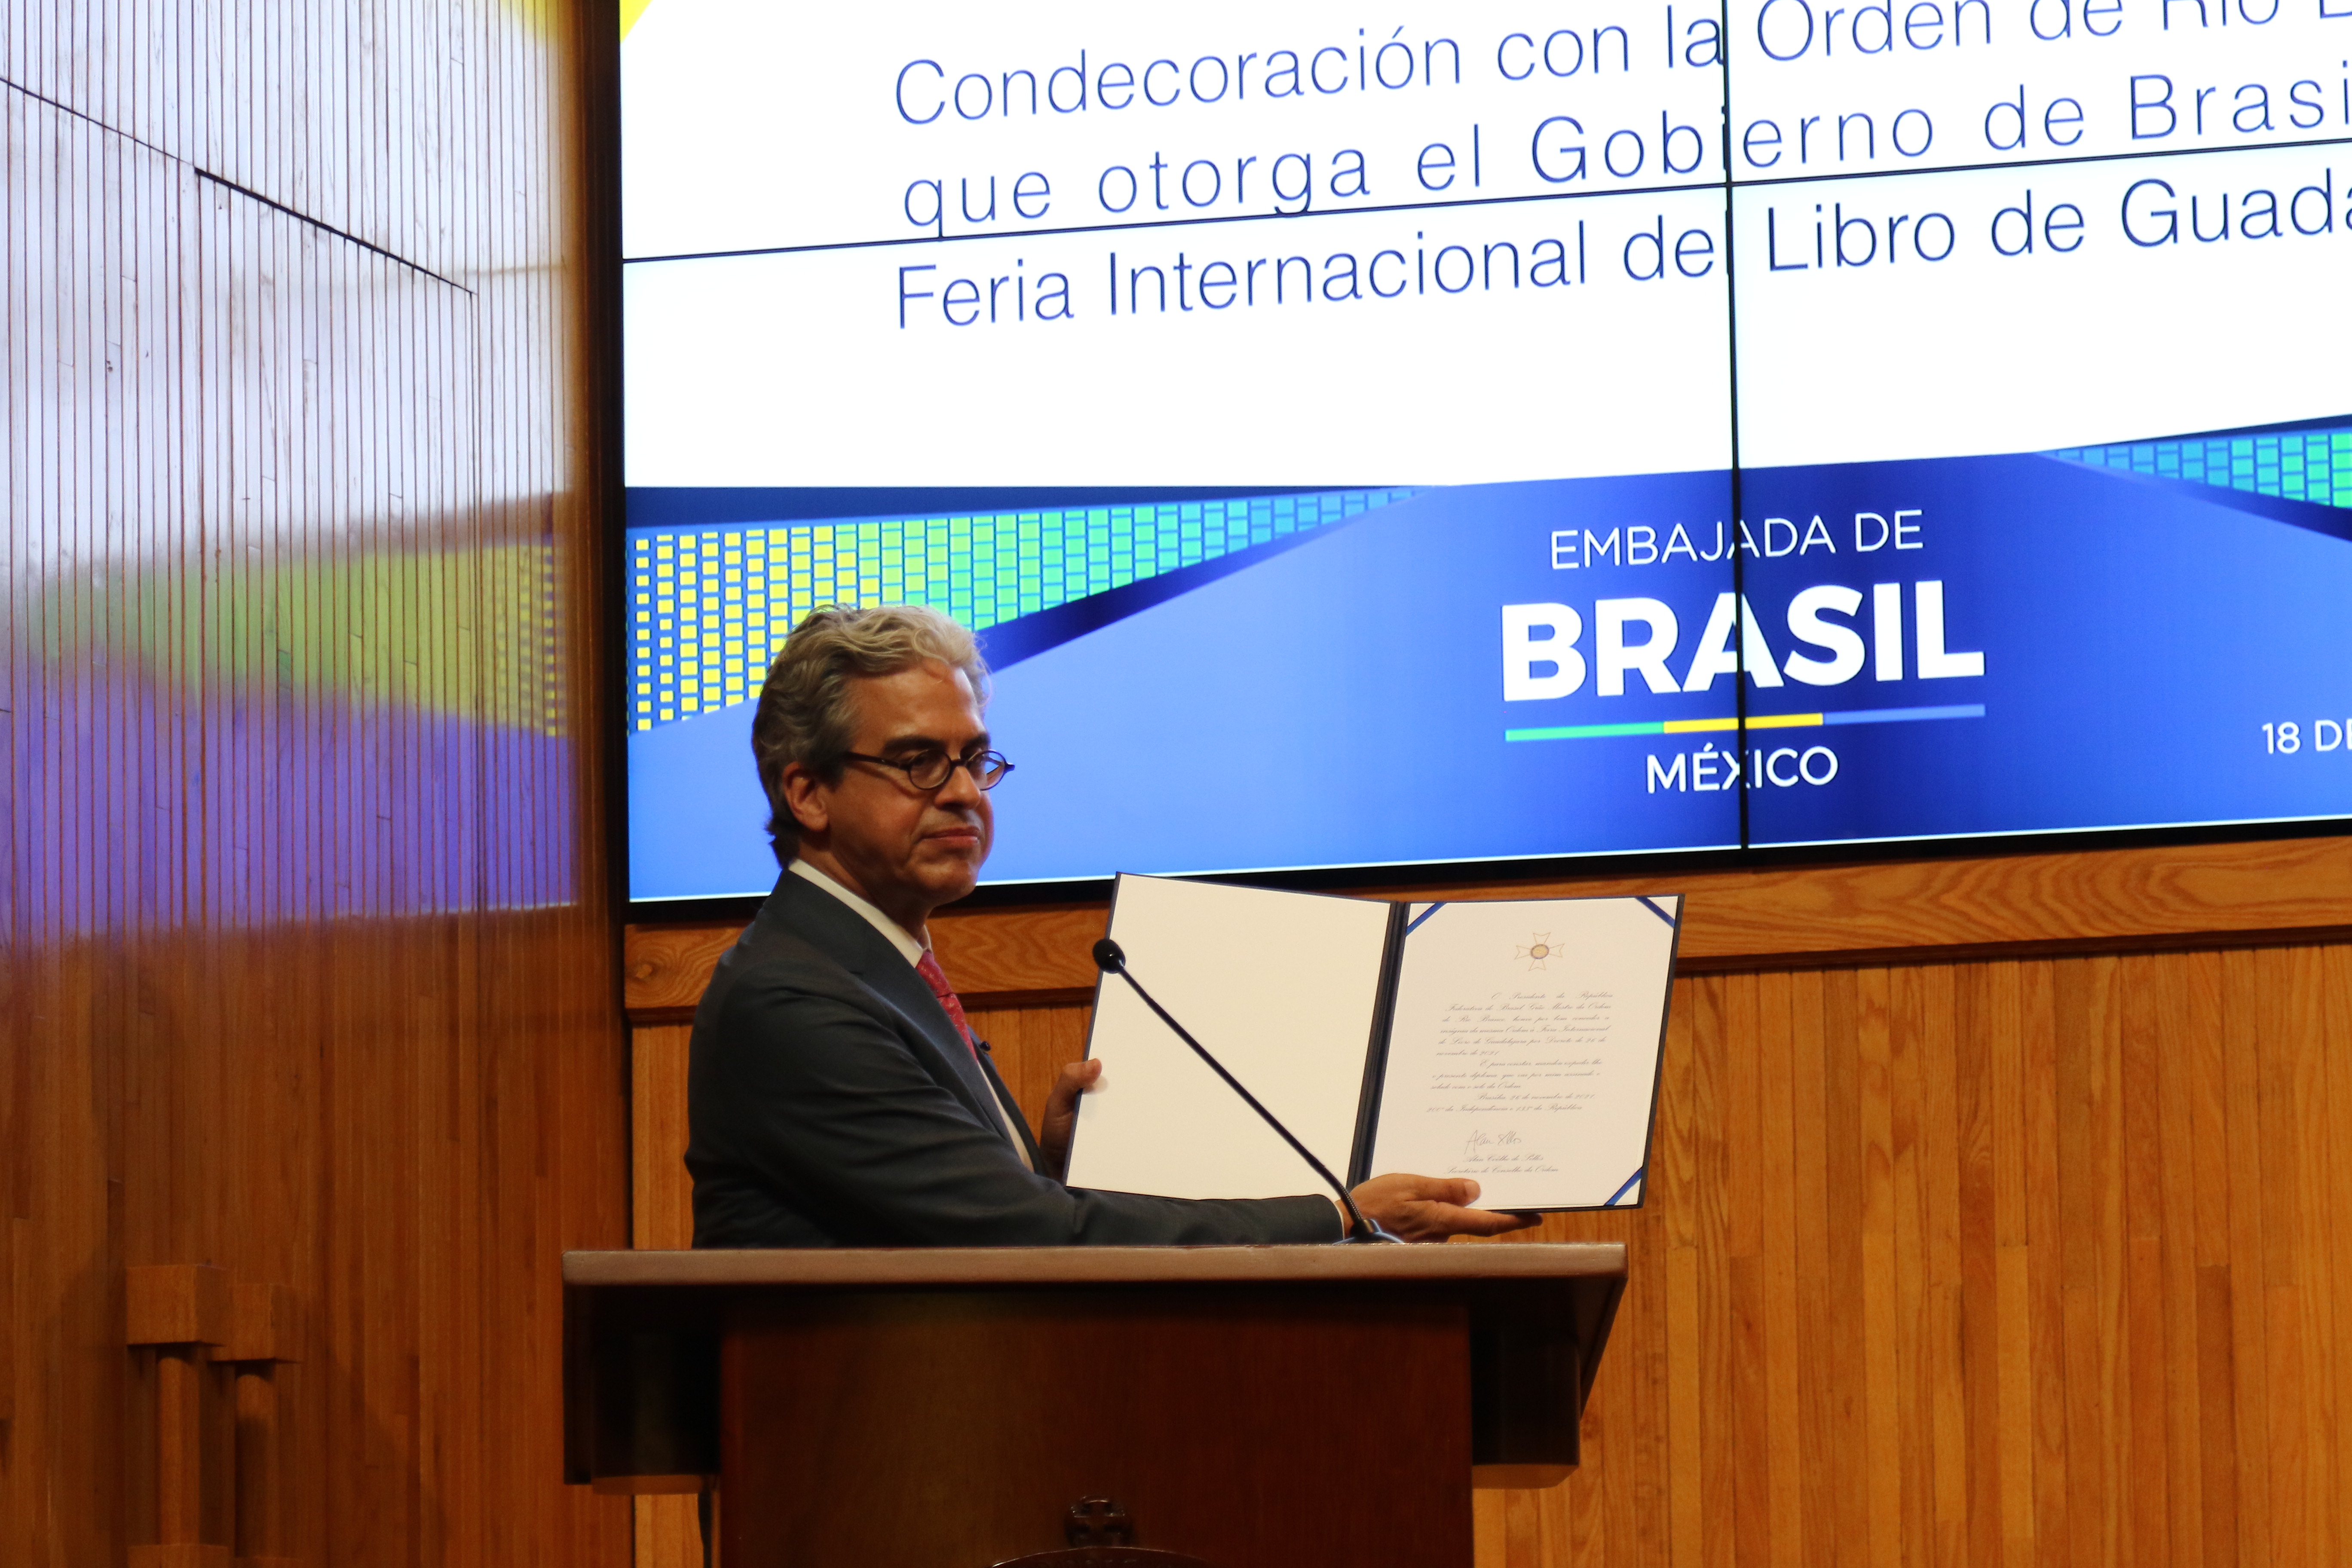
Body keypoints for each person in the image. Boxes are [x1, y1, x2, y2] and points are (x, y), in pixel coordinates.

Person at [686, 603, 1533, 1247]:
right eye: (918, 763)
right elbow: (1020, 1235)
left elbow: (960, 1214)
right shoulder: (792, 996)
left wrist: (1052, 1163)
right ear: (808, 794)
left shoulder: (873, 965)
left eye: (973, 759)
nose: (965, 793)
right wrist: (1338, 1216)